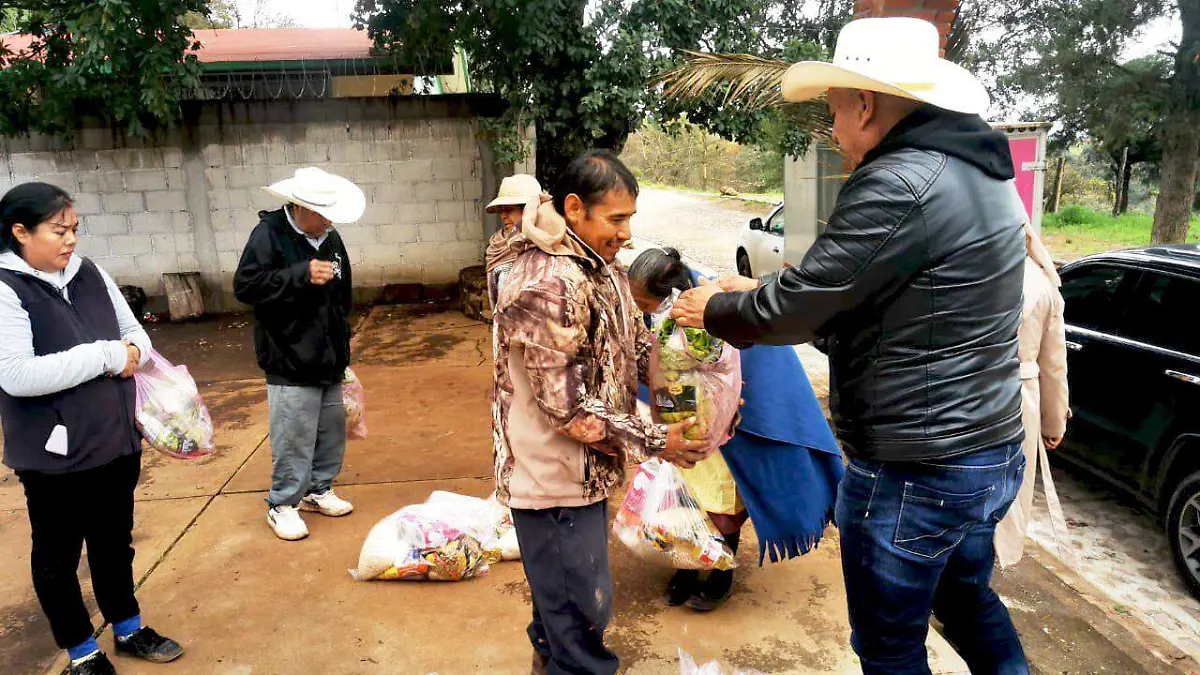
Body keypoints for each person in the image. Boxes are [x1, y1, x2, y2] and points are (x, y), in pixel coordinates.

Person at [671, 17, 1031, 674]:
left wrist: (714, 306)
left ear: (864, 104)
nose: (833, 131)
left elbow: (798, 306)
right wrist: (762, 289)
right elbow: (879, 306)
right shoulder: (983, 175)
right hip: (989, 449)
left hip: (916, 466)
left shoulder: (898, 183)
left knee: (890, 646)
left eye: (834, 110)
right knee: (969, 600)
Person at [491, 150, 708, 675]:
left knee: (561, 612)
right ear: (573, 208)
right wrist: (659, 442)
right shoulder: (546, 284)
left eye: (630, 217)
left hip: (583, 471)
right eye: (616, 218)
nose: (627, 233)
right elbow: (565, 409)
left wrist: (695, 401)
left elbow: (634, 348)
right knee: (582, 618)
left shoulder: (601, 268)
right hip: (551, 481)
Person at [0, 183, 184, 675]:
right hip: (53, 457)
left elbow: (137, 339)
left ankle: (128, 627)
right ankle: (82, 651)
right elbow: (17, 374)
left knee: (113, 541)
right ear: (20, 232)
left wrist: (132, 354)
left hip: (114, 441)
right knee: (58, 556)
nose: (71, 241)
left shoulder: (91, 274)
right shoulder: (6, 289)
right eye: (58, 231)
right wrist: (106, 355)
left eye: (75, 229)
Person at [627, 247, 844, 611]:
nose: (637, 308)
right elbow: (655, 368)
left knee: (721, 501)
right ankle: (688, 562)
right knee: (682, 496)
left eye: (643, 301)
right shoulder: (656, 318)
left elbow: (749, 366)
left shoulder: (720, 308)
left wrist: (719, 411)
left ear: (668, 294)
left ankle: (721, 570)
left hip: (728, 423)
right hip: (683, 421)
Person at [233, 167, 362, 542]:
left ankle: (319, 488)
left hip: (328, 355)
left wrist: (342, 345)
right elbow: (246, 286)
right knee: (294, 433)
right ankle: (282, 503)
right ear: (300, 208)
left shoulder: (331, 238)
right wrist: (299, 275)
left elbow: (344, 294)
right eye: (322, 214)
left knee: (330, 428)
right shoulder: (270, 234)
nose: (328, 222)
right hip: (289, 355)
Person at [994, 199, 1073, 568]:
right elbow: (1054, 366)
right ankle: (992, 562)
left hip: (972, 391)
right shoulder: (1044, 284)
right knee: (1009, 489)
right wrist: (1054, 423)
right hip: (1021, 400)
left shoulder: (978, 272)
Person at [485, 173, 542, 309]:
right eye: (501, 211)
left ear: (528, 210)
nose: (503, 216)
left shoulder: (546, 244)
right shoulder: (497, 246)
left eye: (509, 210)